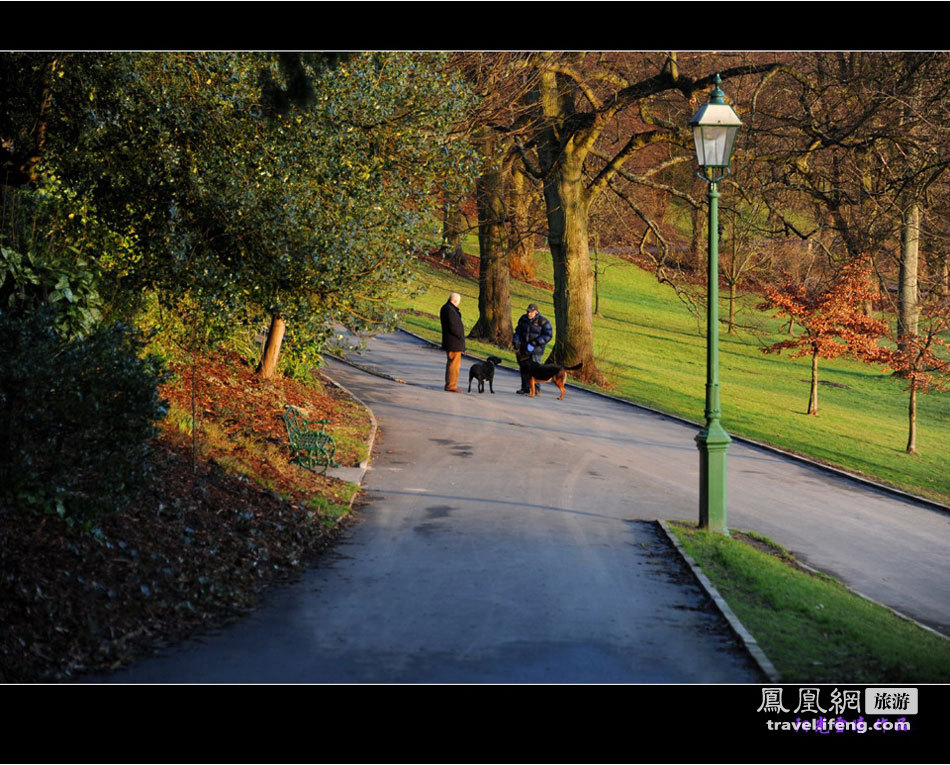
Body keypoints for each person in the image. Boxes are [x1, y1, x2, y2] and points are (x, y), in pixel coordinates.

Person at [513, 303, 553, 394]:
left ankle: (536, 389)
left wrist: (535, 342)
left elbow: (548, 335)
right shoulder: (523, 319)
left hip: (536, 350)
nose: (529, 314)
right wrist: (515, 341)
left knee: (536, 369)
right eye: (528, 311)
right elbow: (518, 331)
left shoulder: (543, 321)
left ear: (536, 312)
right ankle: (525, 388)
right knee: (524, 369)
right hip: (523, 348)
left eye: (531, 312)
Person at [439, 292, 466, 392]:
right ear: (455, 301)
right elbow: (453, 326)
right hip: (453, 342)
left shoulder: (447, 308)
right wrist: (460, 336)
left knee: (452, 364)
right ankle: (451, 385)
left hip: (452, 341)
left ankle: (450, 384)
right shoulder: (450, 310)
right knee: (454, 365)